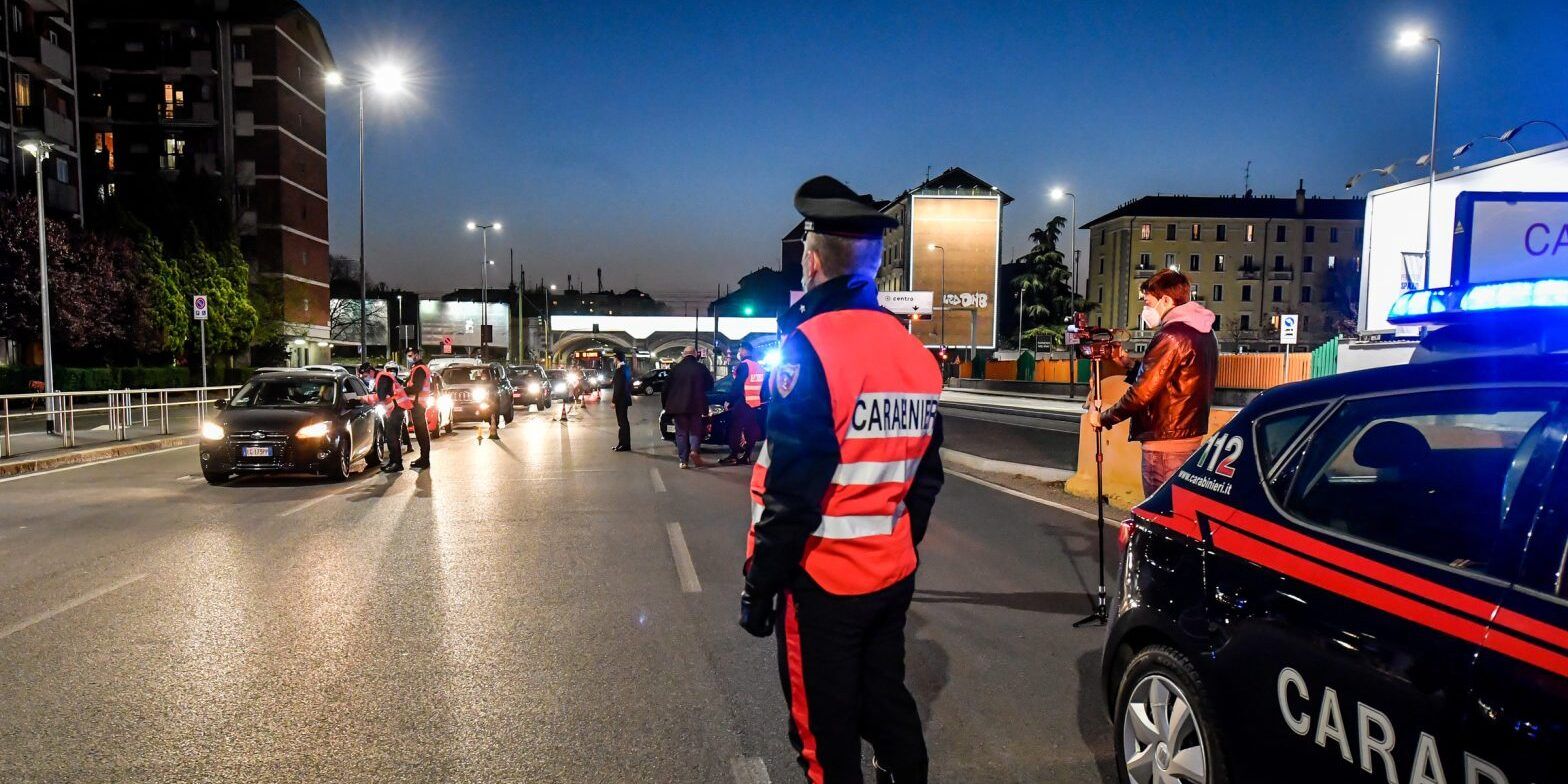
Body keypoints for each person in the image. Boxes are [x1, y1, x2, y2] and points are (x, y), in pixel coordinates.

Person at [738, 175, 944, 784]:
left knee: (822, 741)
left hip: (822, 580)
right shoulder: (915, 356)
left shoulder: (809, 348)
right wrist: (895, 542)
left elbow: (793, 490)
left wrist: (761, 585)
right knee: (886, 708)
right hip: (891, 575)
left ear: (811, 259)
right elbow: (925, 481)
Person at [1088, 268, 1218, 496]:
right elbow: (1172, 379)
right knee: (1177, 511)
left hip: (1164, 444)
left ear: (1166, 300)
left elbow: (1142, 393)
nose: (1144, 310)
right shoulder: (1203, 332)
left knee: (1159, 515)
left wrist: (1103, 418)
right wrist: (1130, 365)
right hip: (1188, 435)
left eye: (1148, 303)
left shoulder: (1171, 336)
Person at [662, 347, 713, 469]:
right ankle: (694, 451)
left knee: (681, 433)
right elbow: (710, 385)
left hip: (679, 407)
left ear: (683, 355)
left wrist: (666, 406)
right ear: (695, 355)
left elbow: (665, 389)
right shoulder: (701, 368)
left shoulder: (675, 369)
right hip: (696, 406)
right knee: (695, 431)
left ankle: (683, 461)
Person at [718, 343, 765, 466]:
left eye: (740, 350)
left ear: (744, 351)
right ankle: (747, 456)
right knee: (750, 429)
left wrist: (730, 400)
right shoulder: (758, 366)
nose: (739, 352)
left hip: (742, 402)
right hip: (754, 403)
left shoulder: (744, 365)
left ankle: (733, 455)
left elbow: (738, 385)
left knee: (735, 429)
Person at [364, 361, 411, 473]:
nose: (365, 378)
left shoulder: (383, 377)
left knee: (392, 437)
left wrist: (366, 399)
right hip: (395, 409)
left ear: (371, 372)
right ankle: (393, 461)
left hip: (396, 409)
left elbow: (381, 396)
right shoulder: (383, 377)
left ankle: (396, 463)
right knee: (392, 437)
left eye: (366, 375)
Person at [404, 350, 434, 469]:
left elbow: (417, 387)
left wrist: (403, 390)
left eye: (411, 355)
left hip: (418, 404)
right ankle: (424, 458)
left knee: (421, 432)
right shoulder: (417, 368)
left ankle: (424, 459)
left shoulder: (419, 369)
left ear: (417, 355)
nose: (410, 358)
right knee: (421, 432)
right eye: (408, 356)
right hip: (417, 404)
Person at [611, 350, 634, 452]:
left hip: (621, 400)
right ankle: (623, 444)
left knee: (622, 422)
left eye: (614, 358)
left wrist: (614, 401)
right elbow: (629, 385)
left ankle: (624, 445)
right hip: (625, 398)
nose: (613, 360)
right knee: (624, 421)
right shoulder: (627, 369)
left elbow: (618, 387)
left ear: (617, 358)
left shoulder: (620, 370)